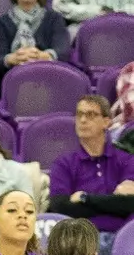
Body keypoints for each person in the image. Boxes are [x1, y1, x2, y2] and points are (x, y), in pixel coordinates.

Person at [48, 96, 134, 231]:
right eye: (79, 115)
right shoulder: (63, 163)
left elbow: (130, 204)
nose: (83, 120)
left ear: (106, 122)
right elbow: (60, 207)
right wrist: (113, 203)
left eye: (91, 115)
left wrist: (86, 198)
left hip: (123, 237)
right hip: (82, 238)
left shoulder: (126, 160)